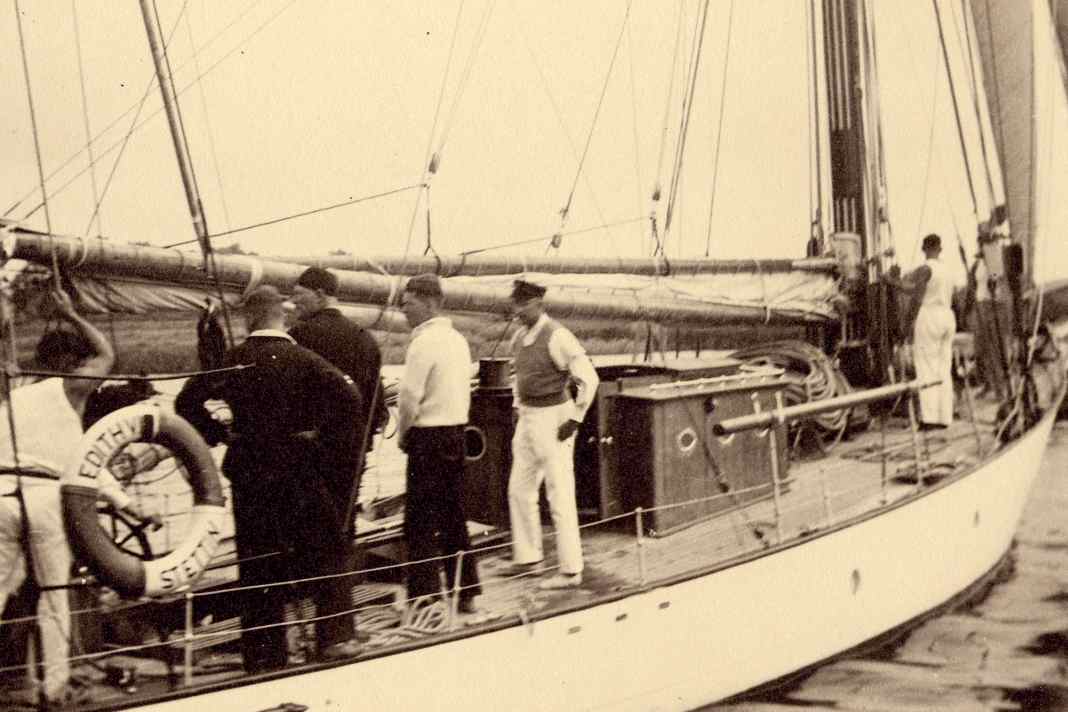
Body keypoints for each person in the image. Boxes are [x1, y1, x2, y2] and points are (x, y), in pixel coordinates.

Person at [175, 285, 364, 672]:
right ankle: (335, 638)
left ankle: (264, 654)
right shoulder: (306, 360)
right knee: (327, 549)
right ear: (282, 316)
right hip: (298, 467)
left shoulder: (234, 360)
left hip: (251, 469)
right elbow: (350, 399)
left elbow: (186, 403)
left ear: (249, 317)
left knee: (259, 561)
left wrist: (219, 434)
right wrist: (319, 435)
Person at [0, 289, 158, 705]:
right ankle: (53, 690)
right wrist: (71, 313)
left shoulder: (11, 395)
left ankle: (15, 682)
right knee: (55, 597)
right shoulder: (69, 390)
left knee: (1, 591)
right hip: (44, 500)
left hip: (2, 498)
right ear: (72, 363)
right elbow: (105, 355)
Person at [506, 279, 599, 590]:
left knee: (559, 493)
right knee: (519, 488)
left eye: (523, 304)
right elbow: (517, 377)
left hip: (554, 418)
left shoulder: (557, 335)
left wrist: (576, 417)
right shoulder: (518, 338)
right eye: (515, 303)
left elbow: (588, 376)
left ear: (538, 303)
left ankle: (571, 571)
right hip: (529, 419)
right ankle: (530, 558)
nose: (518, 310)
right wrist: (520, 409)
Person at [396, 274, 481, 613]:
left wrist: (403, 434)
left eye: (409, 303)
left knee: (419, 521)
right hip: (455, 435)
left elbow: (409, 397)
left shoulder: (422, 342)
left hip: (427, 438)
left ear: (430, 302)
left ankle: (425, 598)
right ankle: (467, 592)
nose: (404, 311)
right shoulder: (458, 340)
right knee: (453, 515)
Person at [290, 266, 386, 510]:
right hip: (352, 449)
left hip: (310, 451)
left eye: (299, 294)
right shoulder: (365, 338)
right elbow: (377, 402)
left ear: (320, 295)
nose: (293, 302)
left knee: (309, 523)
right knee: (344, 518)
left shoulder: (299, 336)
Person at [896, 234, 956, 430]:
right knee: (943, 368)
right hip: (947, 316)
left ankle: (929, 419)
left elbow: (916, 295)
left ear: (924, 249)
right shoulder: (947, 269)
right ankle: (944, 417)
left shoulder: (925, 269)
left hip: (930, 317)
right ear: (940, 248)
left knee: (926, 367)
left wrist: (907, 323)